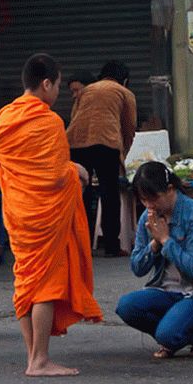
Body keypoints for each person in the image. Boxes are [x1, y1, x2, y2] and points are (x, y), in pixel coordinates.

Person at [0, 54, 102, 377]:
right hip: (45, 216)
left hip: (18, 213)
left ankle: (32, 356)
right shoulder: (49, 122)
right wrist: (74, 169)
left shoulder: (1, 119)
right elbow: (53, 175)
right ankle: (40, 360)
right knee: (46, 285)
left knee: (26, 281)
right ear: (46, 83)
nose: (59, 92)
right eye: (59, 85)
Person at [116, 162, 193, 359]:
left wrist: (166, 240)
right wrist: (154, 244)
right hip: (165, 289)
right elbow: (137, 267)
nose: (149, 205)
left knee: (167, 334)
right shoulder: (148, 216)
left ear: (170, 189)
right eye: (143, 200)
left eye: (154, 198)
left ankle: (190, 333)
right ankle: (179, 331)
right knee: (126, 306)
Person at [66, 60, 137, 257]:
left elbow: (75, 116)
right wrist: (123, 153)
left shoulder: (87, 90)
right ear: (125, 80)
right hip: (107, 143)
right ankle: (112, 247)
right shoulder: (124, 92)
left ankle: (82, 245)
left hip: (77, 143)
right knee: (109, 194)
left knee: (82, 193)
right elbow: (129, 127)